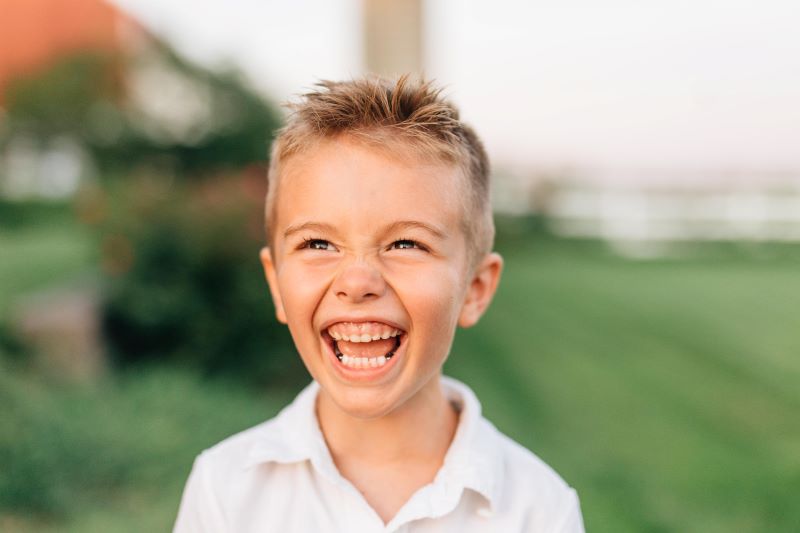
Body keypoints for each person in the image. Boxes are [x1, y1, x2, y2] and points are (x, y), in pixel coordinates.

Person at [173, 75, 585, 532]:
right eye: (318, 244)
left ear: (475, 289)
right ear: (276, 285)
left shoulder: (539, 510)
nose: (357, 281)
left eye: (406, 244)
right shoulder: (227, 490)